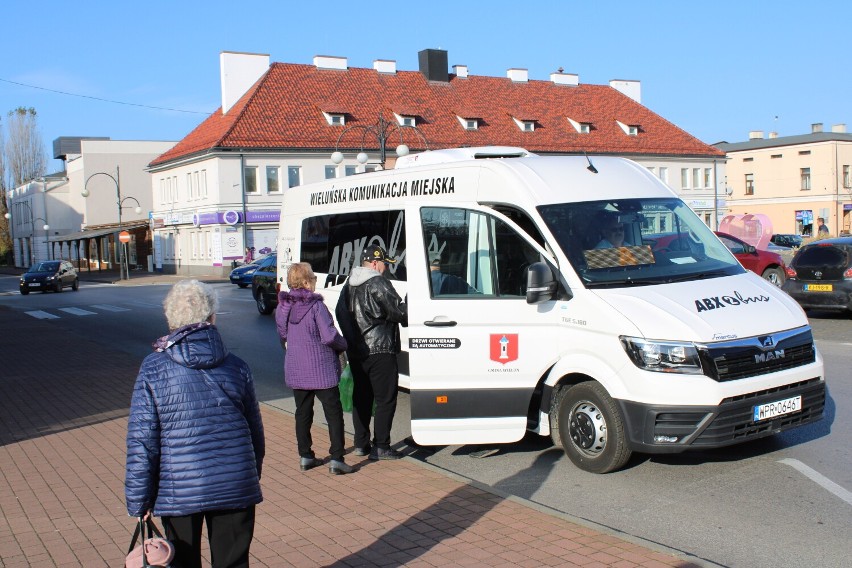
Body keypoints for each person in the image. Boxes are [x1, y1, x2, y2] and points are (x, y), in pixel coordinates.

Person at [125, 280, 265, 568]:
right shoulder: (236, 365)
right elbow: (255, 432)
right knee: (233, 563)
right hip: (234, 482)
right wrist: (249, 474)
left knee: (182, 561)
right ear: (212, 317)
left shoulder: (154, 367)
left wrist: (140, 500)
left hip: (179, 488)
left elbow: (142, 440)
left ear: (171, 319)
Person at [275, 262, 354, 475]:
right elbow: (329, 336)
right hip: (321, 370)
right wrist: (344, 344)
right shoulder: (316, 306)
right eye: (313, 278)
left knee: (302, 412)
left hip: (297, 368)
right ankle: (337, 458)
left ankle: (305, 456)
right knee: (333, 413)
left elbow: (283, 335)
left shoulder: (283, 308)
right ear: (307, 281)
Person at [335, 244, 408, 460]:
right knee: (385, 399)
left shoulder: (348, 283)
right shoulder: (378, 282)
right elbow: (398, 313)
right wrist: (411, 304)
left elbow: (341, 313)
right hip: (380, 348)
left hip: (357, 351)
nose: (386, 268)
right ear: (375, 263)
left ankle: (361, 443)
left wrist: (352, 340)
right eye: (385, 263)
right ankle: (381, 446)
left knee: (362, 397)